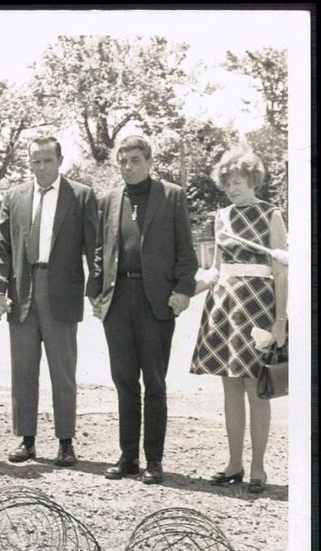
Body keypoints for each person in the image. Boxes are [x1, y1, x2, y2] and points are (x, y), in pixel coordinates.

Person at [87, 135, 198, 485]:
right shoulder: (108, 200)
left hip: (155, 301)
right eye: (123, 160)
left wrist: (183, 289)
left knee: (154, 382)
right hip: (118, 299)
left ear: (149, 162)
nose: (128, 166)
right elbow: (100, 251)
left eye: (135, 159)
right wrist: (95, 292)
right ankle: (128, 457)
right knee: (123, 382)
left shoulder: (171, 196)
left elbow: (185, 249)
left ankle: (154, 460)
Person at [0, 137, 98, 467]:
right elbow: (1, 247)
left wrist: (97, 291)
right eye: (35, 161)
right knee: (23, 369)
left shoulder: (80, 196)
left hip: (60, 290)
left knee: (62, 370)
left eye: (47, 161)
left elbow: (94, 248)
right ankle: (26, 439)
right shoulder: (15, 196)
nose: (40, 167)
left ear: (60, 160)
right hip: (22, 289)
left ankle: (66, 441)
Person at [189, 148, 287, 494]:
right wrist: (187, 291)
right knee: (230, 387)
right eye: (227, 182)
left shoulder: (271, 215)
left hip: (258, 308)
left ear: (253, 180)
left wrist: (280, 321)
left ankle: (258, 468)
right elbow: (216, 268)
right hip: (225, 309)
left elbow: (280, 271)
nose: (232, 188)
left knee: (256, 390)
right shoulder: (222, 217)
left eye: (239, 181)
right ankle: (234, 464)